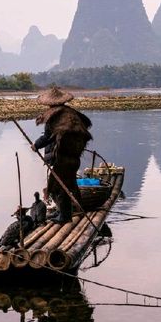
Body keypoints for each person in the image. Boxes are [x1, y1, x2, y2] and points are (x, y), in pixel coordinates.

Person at [32, 86, 92, 223]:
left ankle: (65, 216)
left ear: (49, 103)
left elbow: (47, 137)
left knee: (56, 187)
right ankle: (63, 211)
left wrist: (35, 145)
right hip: (74, 157)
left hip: (62, 158)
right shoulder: (71, 114)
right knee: (69, 184)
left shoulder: (53, 115)